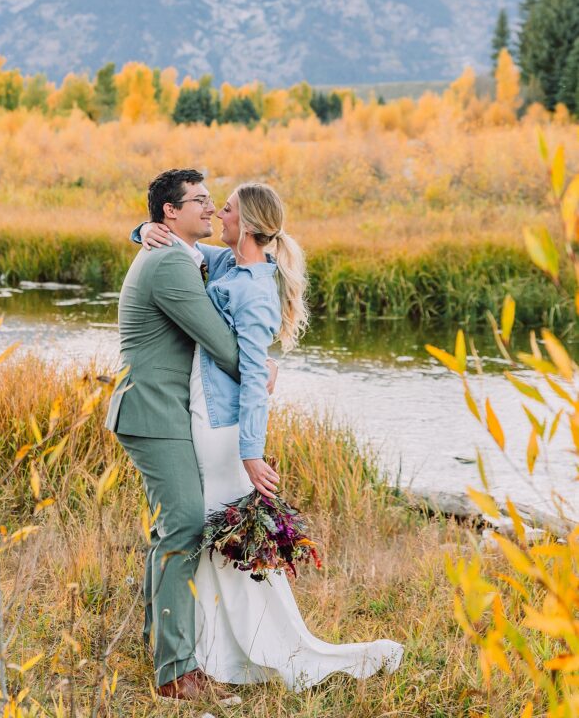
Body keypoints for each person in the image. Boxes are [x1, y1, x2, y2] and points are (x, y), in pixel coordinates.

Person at [136, 180, 404, 689]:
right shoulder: (226, 264)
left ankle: (239, 649)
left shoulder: (255, 288)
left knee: (211, 530)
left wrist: (252, 453)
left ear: (249, 225)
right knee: (205, 532)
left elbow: (255, 382)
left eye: (227, 209)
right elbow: (182, 248)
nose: (217, 214)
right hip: (199, 410)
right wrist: (144, 229)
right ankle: (202, 647)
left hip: (221, 425)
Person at [105, 169, 246, 702]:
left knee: (172, 528)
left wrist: (138, 229)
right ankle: (177, 673)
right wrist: (262, 371)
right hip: (152, 410)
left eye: (212, 200)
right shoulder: (168, 262)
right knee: (184, 524)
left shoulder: (183, 253)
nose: (210, 208)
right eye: (200, 200)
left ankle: (165, 649)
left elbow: (241, 258)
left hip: (161, 410)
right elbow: (220, 344)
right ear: (171, 211)